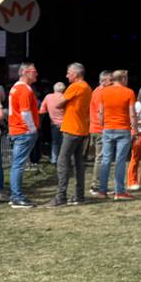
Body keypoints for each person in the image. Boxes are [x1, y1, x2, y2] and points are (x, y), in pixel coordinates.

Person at [51, 62, 92, 206]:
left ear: (76, 74)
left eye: (69, 72)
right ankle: (79, 195)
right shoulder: (87, 87)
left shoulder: (75, 86)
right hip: (81, 129)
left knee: (62, 162)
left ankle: (60, 197)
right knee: (79, 164)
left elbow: (58, 103)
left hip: (71, 129)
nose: (67, 75)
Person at [95, 69, 136, 200]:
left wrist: (103, 126)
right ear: (123, 79)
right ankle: (119, 191)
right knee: (120, 161)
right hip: (123, 129)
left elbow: (100, 112)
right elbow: (132, 113)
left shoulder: (104, 92)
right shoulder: (129, 92)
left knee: (105, 160)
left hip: (107, 128)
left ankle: (102, 190)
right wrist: (134, 128)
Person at [6, 63, 40, 208]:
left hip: (17, 130)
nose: (36, 74)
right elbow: (26, 112)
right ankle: (17, 197)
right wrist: (32, 129)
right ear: (26, 72)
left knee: (17, 164)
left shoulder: (15, 88)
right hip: (24, 131)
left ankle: (16, 195)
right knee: (18, 165)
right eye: (34, 72)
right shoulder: (25, 90)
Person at [40, 81, 66, 163]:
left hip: (53, 123)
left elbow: (42, 110)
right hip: (66, 124)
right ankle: (64, 159)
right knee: (65, 143)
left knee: (55, 142)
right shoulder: (66, 97)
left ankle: (54, 159)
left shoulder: (48, 97)